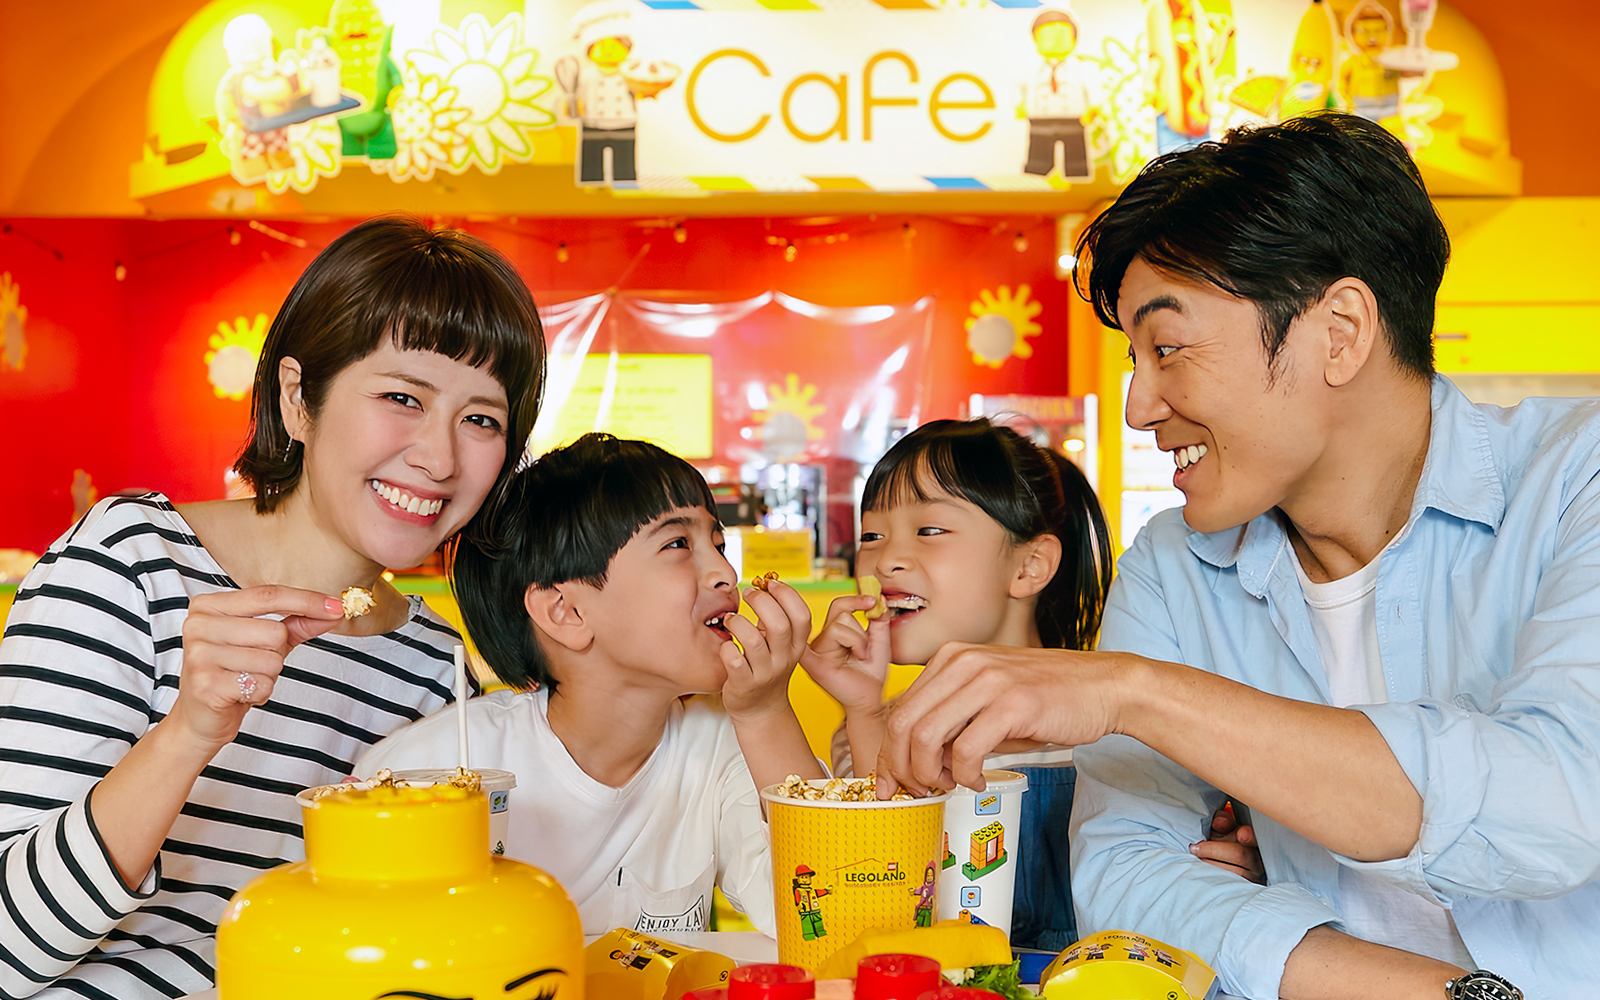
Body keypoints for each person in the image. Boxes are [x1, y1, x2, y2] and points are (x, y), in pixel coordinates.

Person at [872, 113, 1593, 999]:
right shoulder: (1177, 565)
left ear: (1340, 331)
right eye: (1135, 359)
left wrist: (1135, 694)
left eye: (1167, 349)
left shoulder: (1575, 484)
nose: (1140, 405)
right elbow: (1122, 878)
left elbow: (1558, 804)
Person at [0, 216, 545, 999]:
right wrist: (188, 733)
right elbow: (8, 945)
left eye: (482, 419)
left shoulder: (436, 673)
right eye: (401, 396)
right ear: (298, 397)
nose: (439, 456)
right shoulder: (132, 563)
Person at [357, 433, 824, 937]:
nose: (725, 574)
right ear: (567, 612)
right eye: (677, 544)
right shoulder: (431, 770)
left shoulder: (723, 743)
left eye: (718, 543)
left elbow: (820, 915)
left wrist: (766, 714)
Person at [802, 418, 1112, 952]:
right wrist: (863, 712)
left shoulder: (1112, 724)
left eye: (929, 530)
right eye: (871, 535)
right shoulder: (872, 725)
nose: (884, 561)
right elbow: (883, 892)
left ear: (1030, 566)